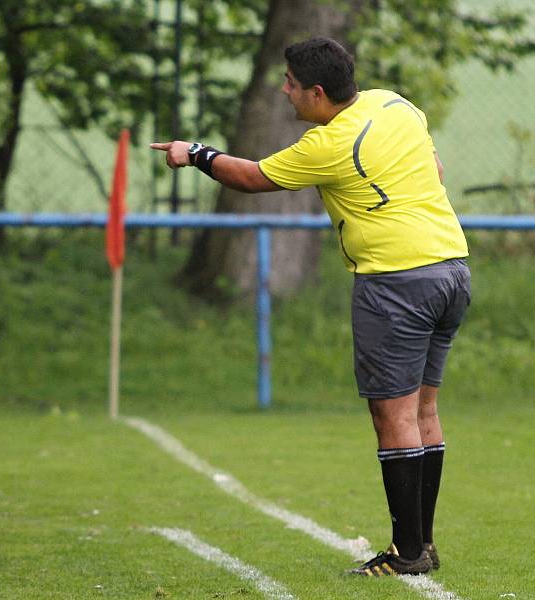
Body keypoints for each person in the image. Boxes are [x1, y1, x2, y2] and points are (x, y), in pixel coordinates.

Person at [151, 37, 470, 577]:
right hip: (452, 269)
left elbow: (251, 178)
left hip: (396, 282)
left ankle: (407, 552)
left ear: (318, 92)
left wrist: (196, 152)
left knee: (391, 414)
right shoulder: (394, 104)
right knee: (423, 410)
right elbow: (434, 171)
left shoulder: (330, 143)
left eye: (291, 83)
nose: (284, 90)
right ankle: (422, 544)